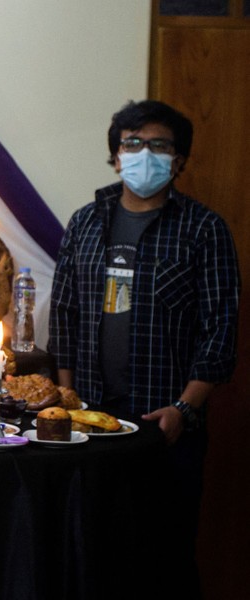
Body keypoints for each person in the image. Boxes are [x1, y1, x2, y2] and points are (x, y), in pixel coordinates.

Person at [49, 100, 239, 597]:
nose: (143, 154)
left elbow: (221, 329)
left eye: (159, 145)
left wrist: (184, 408)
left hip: (166, 428)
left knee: (165, 558)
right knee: (92, 552)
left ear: (178, 160)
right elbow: (64, 318)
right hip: (91, 424)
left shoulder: (204, 229)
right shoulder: (85, 223)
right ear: (115, 156)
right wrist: (70, 404)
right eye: (132, 144)